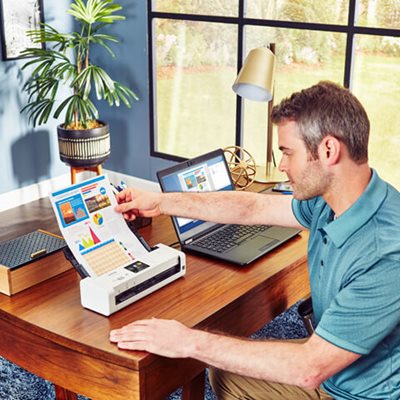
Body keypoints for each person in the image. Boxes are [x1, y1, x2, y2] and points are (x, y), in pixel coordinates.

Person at [109, 81, 400, 399]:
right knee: (224, 373)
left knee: (216, 354)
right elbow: (253, 206)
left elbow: (310, 367)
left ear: (328, 150)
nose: (281, 165)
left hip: (357, 392)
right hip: (339, 367)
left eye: (288, 152)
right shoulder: (333, 197)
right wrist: (161, 202)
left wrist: (187, 341)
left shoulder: (385, 251)